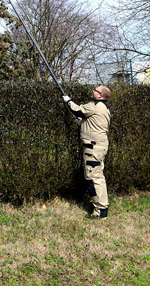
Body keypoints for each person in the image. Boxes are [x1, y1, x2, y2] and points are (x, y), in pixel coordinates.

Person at [63, 85, 112, 220]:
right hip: (99, 146)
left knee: (93, 178)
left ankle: (100, 210)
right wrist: (83, 123)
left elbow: (77, 110)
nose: (93, 91)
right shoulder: (104, 107)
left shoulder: (95, 105)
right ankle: (102, 207)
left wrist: (68, 101)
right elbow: (91, 121)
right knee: (98, 177)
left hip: (93, 147)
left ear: (100, 95)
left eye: (95, 90)